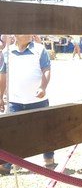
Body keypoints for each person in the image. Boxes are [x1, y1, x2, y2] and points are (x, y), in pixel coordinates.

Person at [0, 34, 55, 175]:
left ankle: (49, 159)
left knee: (45, 130)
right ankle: (7, 164)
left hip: (38, 100)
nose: (29, 34)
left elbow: (46, 70)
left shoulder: (39, 49)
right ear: (16, 35)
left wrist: (43, 87)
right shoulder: (7, 52)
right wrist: (0, 96)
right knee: (12, 133)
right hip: (15, 101)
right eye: (24, 31)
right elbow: (3, 76)